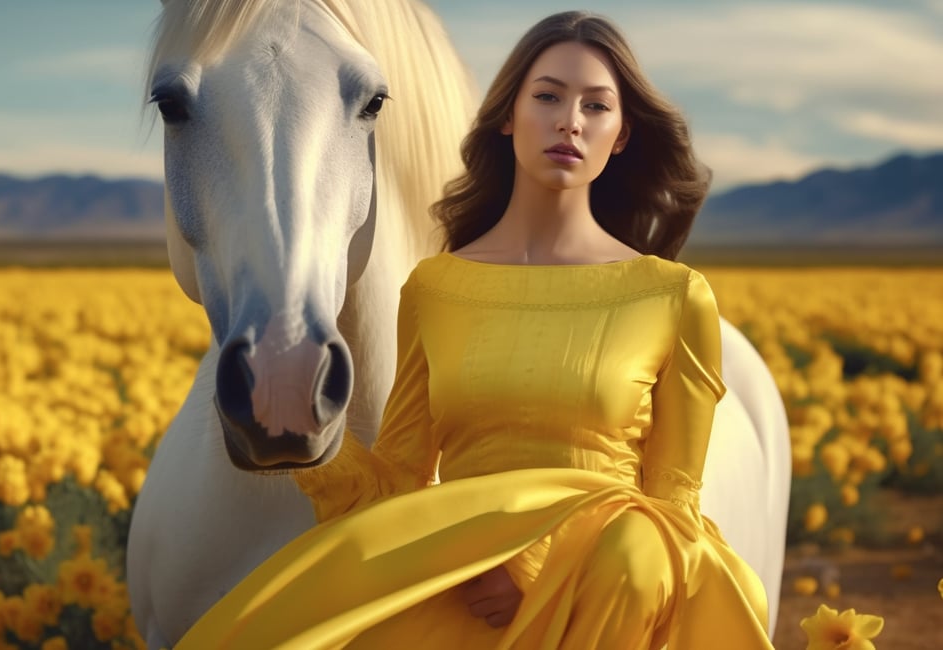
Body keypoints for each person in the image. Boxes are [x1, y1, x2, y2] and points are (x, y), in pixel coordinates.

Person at [178, 10, 773, 649]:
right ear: (506, 115)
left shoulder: (675, 296)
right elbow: (398, 488)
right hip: (464, 589)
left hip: (610, 595)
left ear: (622, 134)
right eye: (547, 96)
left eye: (596, 106)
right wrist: (306, 426)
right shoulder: (437, 290)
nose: (570, 120)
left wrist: (548, 567)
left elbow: (674, 510)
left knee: (636, 556)